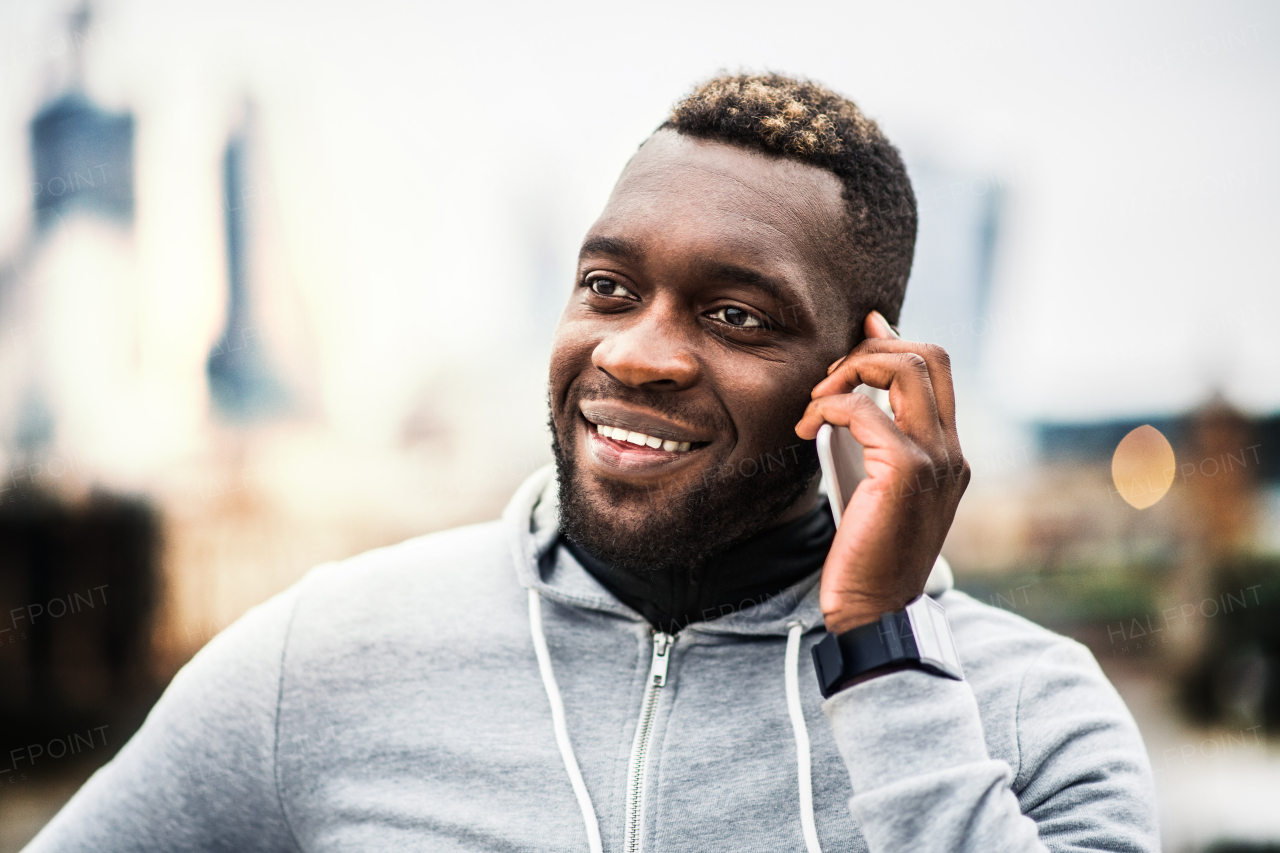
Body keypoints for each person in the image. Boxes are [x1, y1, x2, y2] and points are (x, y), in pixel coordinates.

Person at [24, 73, 1158, 853]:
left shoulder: (1029, 714)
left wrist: (877, 643)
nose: (637, 353)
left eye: (735, 314)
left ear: (863, 371)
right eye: (608, 288)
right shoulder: (321, 655)